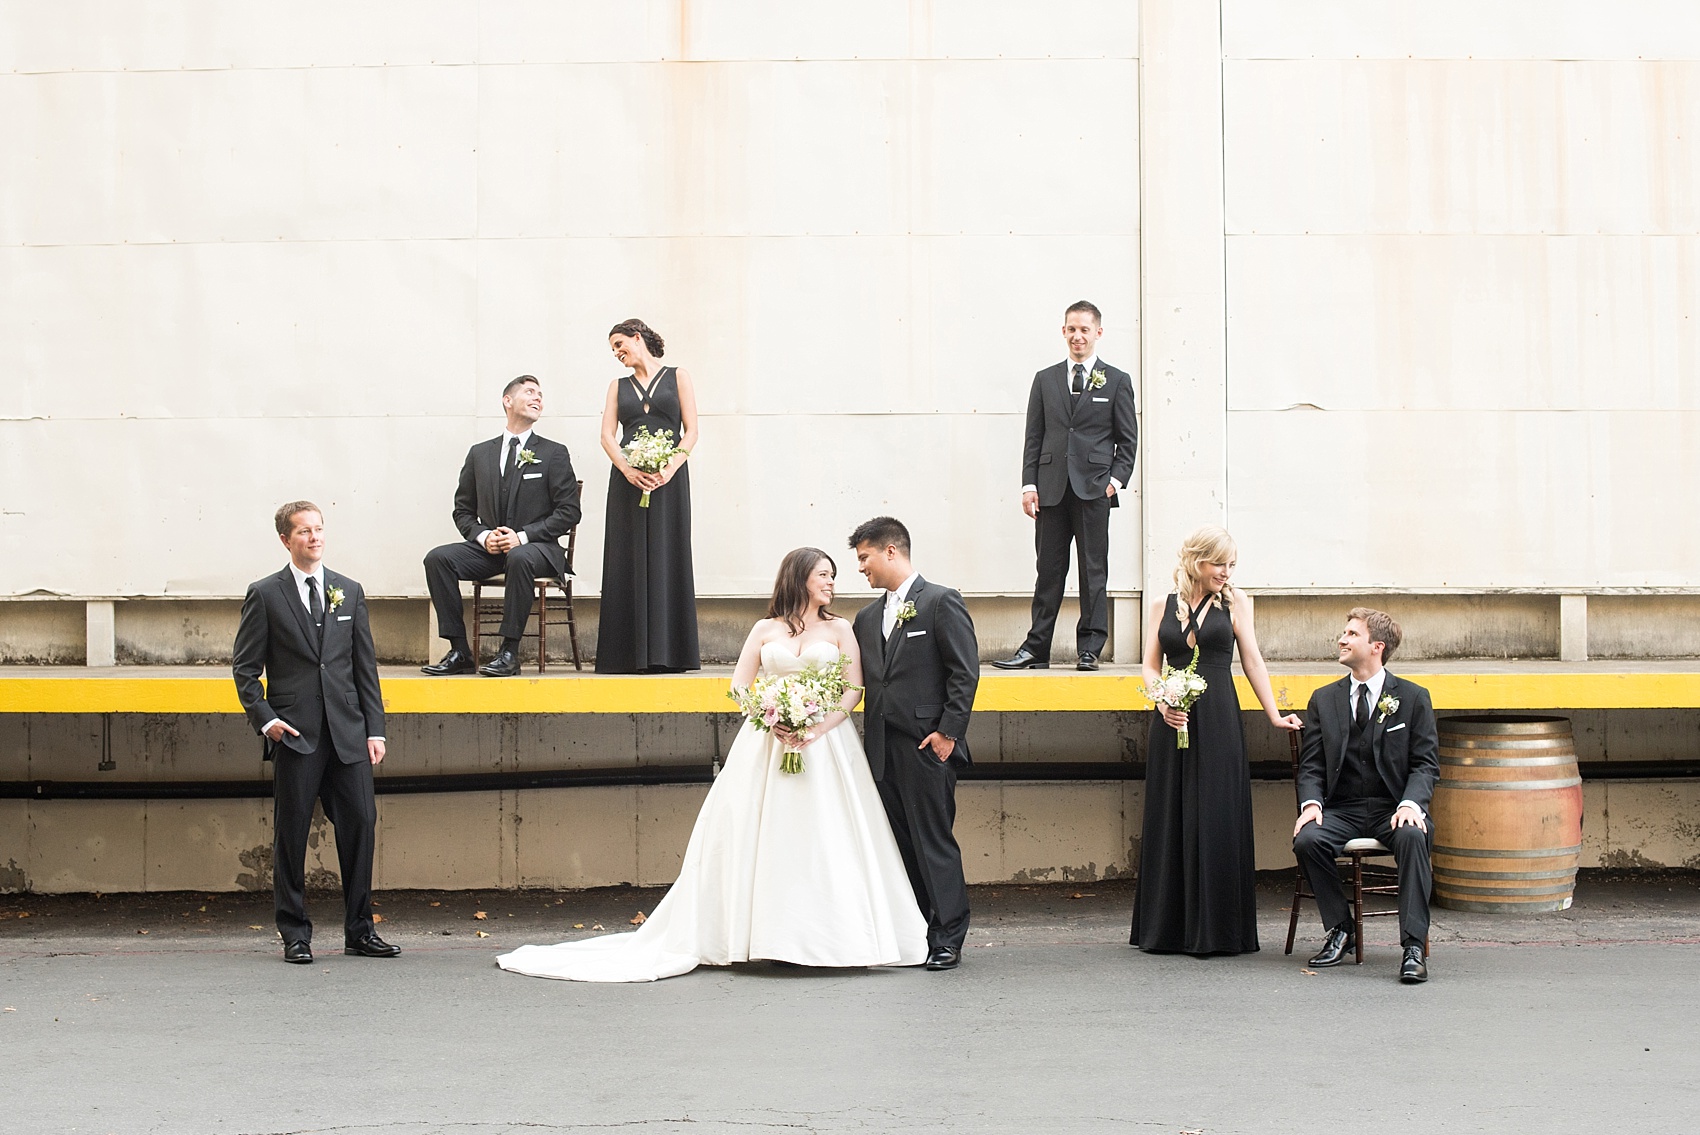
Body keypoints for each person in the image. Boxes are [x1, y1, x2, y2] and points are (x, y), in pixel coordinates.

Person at [496, 548, 926, 981]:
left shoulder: (840, 629)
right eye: (823, 575)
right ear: (798, 579)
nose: (832, 582)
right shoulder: (764, 629)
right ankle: (757, 937)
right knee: (757, 835)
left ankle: (831, 938)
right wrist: (772, 717)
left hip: (826, 745)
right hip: (768, 742)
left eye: (833, 575)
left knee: (826, 836)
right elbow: (740, 687)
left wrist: (818, 727)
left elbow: (853, 689)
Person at [232, 501, 397, 964]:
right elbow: (245, 670)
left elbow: (365, 667)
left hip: (348, 733)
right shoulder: (265, 594)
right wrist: (266, 719)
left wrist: (376, 730)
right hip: (296, 735)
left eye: (319, 529)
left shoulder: (349, 590)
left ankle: (360, 931)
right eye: (304, 531)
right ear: (286, 539)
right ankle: (295, 933)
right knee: (291, 833)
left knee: (362, 825)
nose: (315, 537)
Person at [1132, 526, 1302, 956]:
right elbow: (1150, 668)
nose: (1227, 572)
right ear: (1196, 561)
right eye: (1219, 564)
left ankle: (1219, 929)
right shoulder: (1161, 605)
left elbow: (1252, 661)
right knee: (1171, 813)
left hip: (1219, 717)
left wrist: (1274, 715)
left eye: (1231, 565)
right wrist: (1162, 701)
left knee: (1215, 812)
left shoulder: (1236, 602)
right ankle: (1167, 929)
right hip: (1173, 719)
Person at [850, 516, 980, 971]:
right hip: (881, 750)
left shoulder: (941, 601)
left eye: (864, 557)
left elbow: (965, 672)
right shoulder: (865, 619)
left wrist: (948, 733)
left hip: (928, 746)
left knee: (933, 842)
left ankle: (948, 935)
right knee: (900, 845)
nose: (861, 568)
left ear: (891, 551)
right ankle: (917, 930)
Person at [1292, 608, 1439, 983]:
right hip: (1342, 809)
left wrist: (1411, 804)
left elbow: (1425, 764)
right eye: (1343, 633)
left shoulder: (1413, 697)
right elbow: (1311, 766)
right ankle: (1341, 927)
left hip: (1393, 807)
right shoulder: (1324, 700)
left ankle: (1412, 947)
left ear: (1377, 646)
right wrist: (1311, 804)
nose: (1342, 639)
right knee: (1307, 839)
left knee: (1412, 834)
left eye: (1352, 634)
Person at [994, 300, 1138, 672]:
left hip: (1094, 491)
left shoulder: (1117, 380)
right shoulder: (1045, 379)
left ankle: (1089, 649)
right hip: (1051, 489)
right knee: (1049, 571)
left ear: (1098, 333)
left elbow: (1128, 440)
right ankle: (1035, 649)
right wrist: (1029, 484)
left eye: (1085, 330)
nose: (1078, 336)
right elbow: (1034, 436)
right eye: (1071, 329)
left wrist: (1115, 482)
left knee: (1093, 572)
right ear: (1063, 331)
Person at [422, 375, 582, 677]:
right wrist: (483, 537)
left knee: (519, 557)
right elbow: (463, 510)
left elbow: (569, 512)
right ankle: (459, 651)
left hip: (538, 550)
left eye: (540, 394)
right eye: (530, 392)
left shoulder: (553, 452)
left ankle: (509, 652)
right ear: (507, 401)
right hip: (492, 550)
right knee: (438, 558)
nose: (538, 398)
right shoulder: (479, 454)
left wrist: (522, 537)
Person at [596, 318, 700, 673]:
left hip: (669, 481)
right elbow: (607, 436)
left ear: (637, 338)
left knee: (667, 551)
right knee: (627, 554)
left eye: (620, 345)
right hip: (628, 481)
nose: (617, 353)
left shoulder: (678, 376)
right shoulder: (617, 386)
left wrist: (668, 469)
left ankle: (671, 653)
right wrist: (628, 469)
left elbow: (691, 432)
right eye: (613, 350)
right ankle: (625, 654)